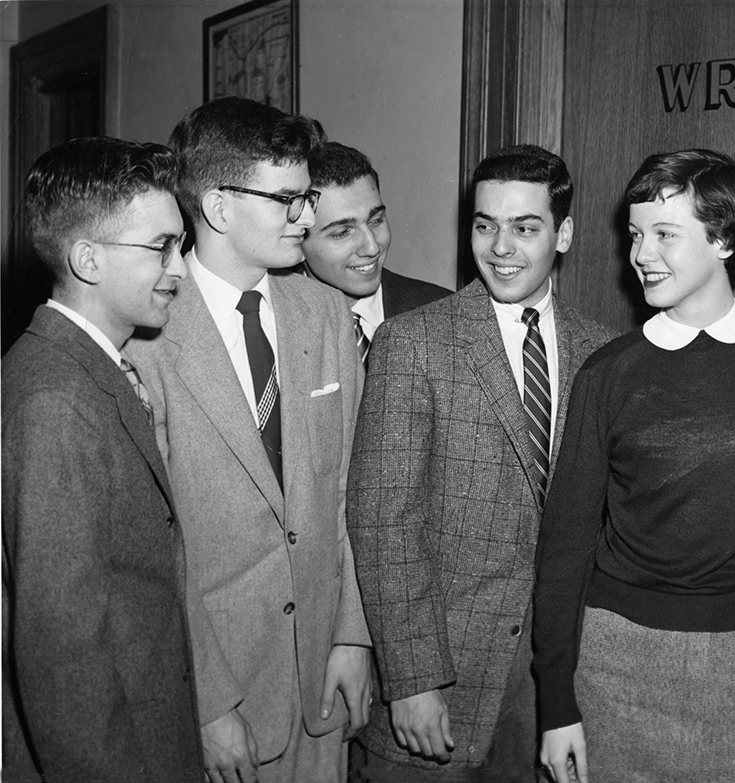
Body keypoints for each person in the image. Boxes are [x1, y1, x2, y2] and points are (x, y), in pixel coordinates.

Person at [533, 148, 735, 783]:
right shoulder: (608, 373)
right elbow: (566, 545)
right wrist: (556, 702)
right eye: (634, 235)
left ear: (722, 238)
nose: (640, 254)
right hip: (615, 658)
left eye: (664, 234)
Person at [346, 144, 617, 781]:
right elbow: (384, 521)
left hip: (554, 684)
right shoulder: (413, 341)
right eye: (484, 225)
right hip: (438, 684)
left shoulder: (603, 352)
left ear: (565, 233)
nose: (501, 248)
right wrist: (411, 680)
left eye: (525, 228)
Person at [125, 97, 371, 783]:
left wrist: (353, 632)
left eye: (308, 196)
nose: (308, 217)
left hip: (322, 678)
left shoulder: (325, 313)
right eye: (288, 200)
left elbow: (350, 489)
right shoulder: (146, 339)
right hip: (218, 689)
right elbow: (155, 549)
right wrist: (206, 701)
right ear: (219, 206)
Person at [2, 137, 203, 781]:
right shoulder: (56, 398)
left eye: (181, 244)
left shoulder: (87, 369)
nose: (178, 268)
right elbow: (64, 659)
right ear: (87, 259)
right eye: (160, 247)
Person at [300, 141, 450, 361]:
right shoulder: (273, 322)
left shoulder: (443, 313)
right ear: (297, 237)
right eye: (342, 232)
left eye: (376, 220)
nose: (372, 247)